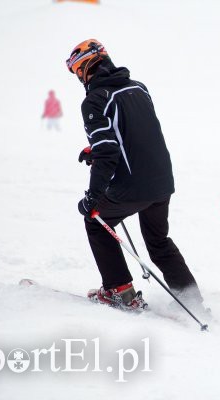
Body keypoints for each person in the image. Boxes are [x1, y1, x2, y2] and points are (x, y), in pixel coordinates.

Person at [66, 39, 204, 311]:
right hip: (161, 181)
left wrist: (93, 196)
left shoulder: (95, 99)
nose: (77, 78)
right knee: (158, 241)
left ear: (84, 69)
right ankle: (192, 301)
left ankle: (121, 293)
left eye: (76, 72)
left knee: (96, 221)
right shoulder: (138, 88)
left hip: (133, 186)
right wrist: (96, 149)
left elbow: (108, 152)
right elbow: (134, 135)